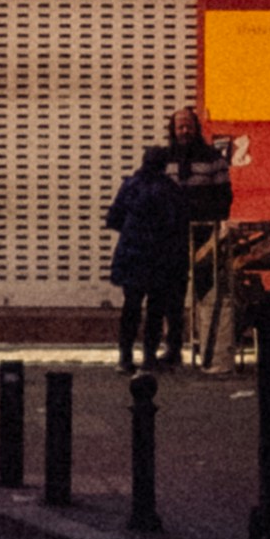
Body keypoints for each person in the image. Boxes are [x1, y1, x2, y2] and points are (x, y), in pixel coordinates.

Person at [106, 111, 224, 376]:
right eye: (180, 126)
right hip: (161, 258)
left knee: (132, 307)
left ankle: (125, 357)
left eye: (188, 125)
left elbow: (113, 218)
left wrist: (130, 234)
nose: (184, 130)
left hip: (132, 256)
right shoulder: (171, 191)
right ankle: (150, 357)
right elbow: (175, 222)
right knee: (158, 308)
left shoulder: (130, 185)